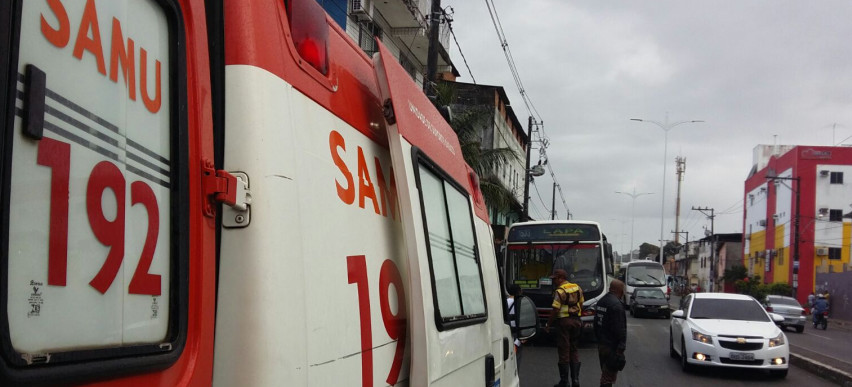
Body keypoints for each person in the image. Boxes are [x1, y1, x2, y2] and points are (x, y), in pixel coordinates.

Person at [544, 269, 584, 387]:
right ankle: (575, 381)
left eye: (555, 279)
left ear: (561, 278)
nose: (554, 281)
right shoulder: (577, 288)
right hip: (576, 322)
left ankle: (564, 382)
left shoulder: (560, 291)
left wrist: (548, 324)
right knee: (574, 349)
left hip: (564, 323)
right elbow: (581, 303)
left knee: (564, 351)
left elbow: (555, 309)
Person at [594, 279, 627, 387]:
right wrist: (621, 348)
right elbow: (620, 329)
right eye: (623, 291)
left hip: (602, 345)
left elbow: (595, 324)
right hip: (612, 347)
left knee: (605, 372)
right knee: (608, 377)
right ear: (620, 291)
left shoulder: (601, 301)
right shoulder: (616, 305)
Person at [506, 284, 524, 365]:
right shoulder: (521, 302)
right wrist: (518, 342)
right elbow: (523, 321)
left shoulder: (503, 302)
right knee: (516, 360)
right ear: (519, 292)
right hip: (516, 334)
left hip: (505, 333)